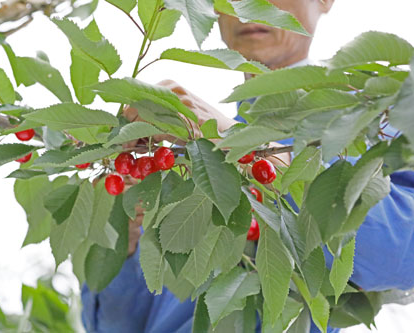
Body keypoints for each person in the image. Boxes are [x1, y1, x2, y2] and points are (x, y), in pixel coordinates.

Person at [81, 1, 414, 332]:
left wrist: (238, 142)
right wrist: (123, 237)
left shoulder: (379, 124)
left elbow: (401, 253)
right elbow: (119, 326)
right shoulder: (185, 160)